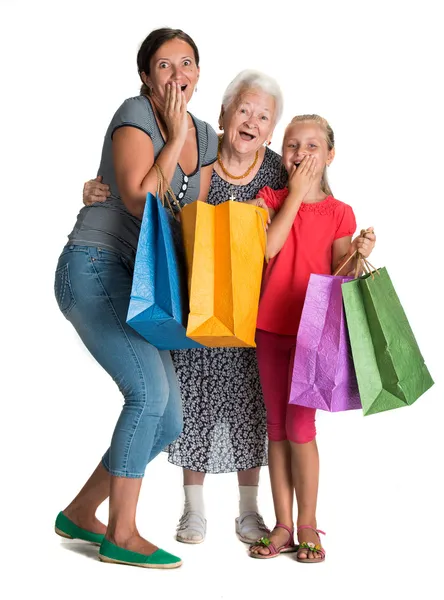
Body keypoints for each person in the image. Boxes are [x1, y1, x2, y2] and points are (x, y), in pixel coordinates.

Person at [83, 69, 286, 545]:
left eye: (263, 116)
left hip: (251, 313)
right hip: (192, 306)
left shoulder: (278, 171)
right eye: (243, 110)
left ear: (272, 129)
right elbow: (148, 193)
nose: (251, 122)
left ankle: (249, 511)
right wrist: (96, 191)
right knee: (189, 403)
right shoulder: (200, 159)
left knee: (249, 409)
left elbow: (315, 204)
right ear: (222, 115)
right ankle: (192, 511)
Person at [54, 27, 218, 569]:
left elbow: (203, 218)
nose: (177, 75)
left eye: (187, 63)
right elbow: (136, 196)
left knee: (168, 420)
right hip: (96, 267)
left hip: (148, 288)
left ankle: (81, 512)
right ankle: (122, 533)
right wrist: (171, 136)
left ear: (199, 73)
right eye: (165, 65)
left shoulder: (209, 138)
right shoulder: (136, 113)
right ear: (147, 76)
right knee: (147, 395)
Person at [249, 114, 376, 562]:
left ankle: (308, 524)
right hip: (268, 326)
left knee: (302, 426)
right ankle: (281, 524)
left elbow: (344, 269)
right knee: (277, 427)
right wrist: (295, 196)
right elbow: (267, 248)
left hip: (313, 334)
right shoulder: (270, 198)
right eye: (291, 145)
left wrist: (359, 253)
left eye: (312, 146)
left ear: (330, 154)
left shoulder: (341, 212)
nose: (300, 154)